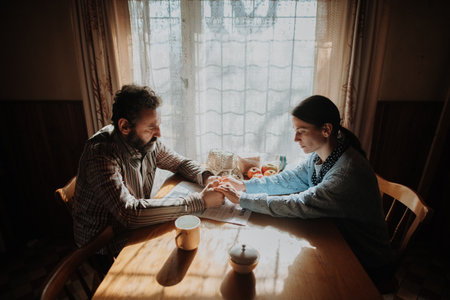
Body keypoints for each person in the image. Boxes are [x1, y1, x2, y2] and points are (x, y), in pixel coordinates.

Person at [215, 95, 394, 288]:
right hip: (337, 239)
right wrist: (245, 186)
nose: (295, 138)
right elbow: (289, 179)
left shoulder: (346, 174)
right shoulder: (326, 152)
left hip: (363, 263)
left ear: (326, 129)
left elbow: (300, 204)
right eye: (295, 131)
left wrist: (243, 199)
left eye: (301, 131)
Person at [72, 85, 224, 263]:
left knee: (192, 246)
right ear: (125, 126)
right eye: (151, 127)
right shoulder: (101, 154)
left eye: (158, 125)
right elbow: (129, 213)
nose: (158, 134)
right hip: (102, 245)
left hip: (130, 227)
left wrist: (207, 177)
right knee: (175, 255)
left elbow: (179, 162)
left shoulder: (147, 141)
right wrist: (200, 201)